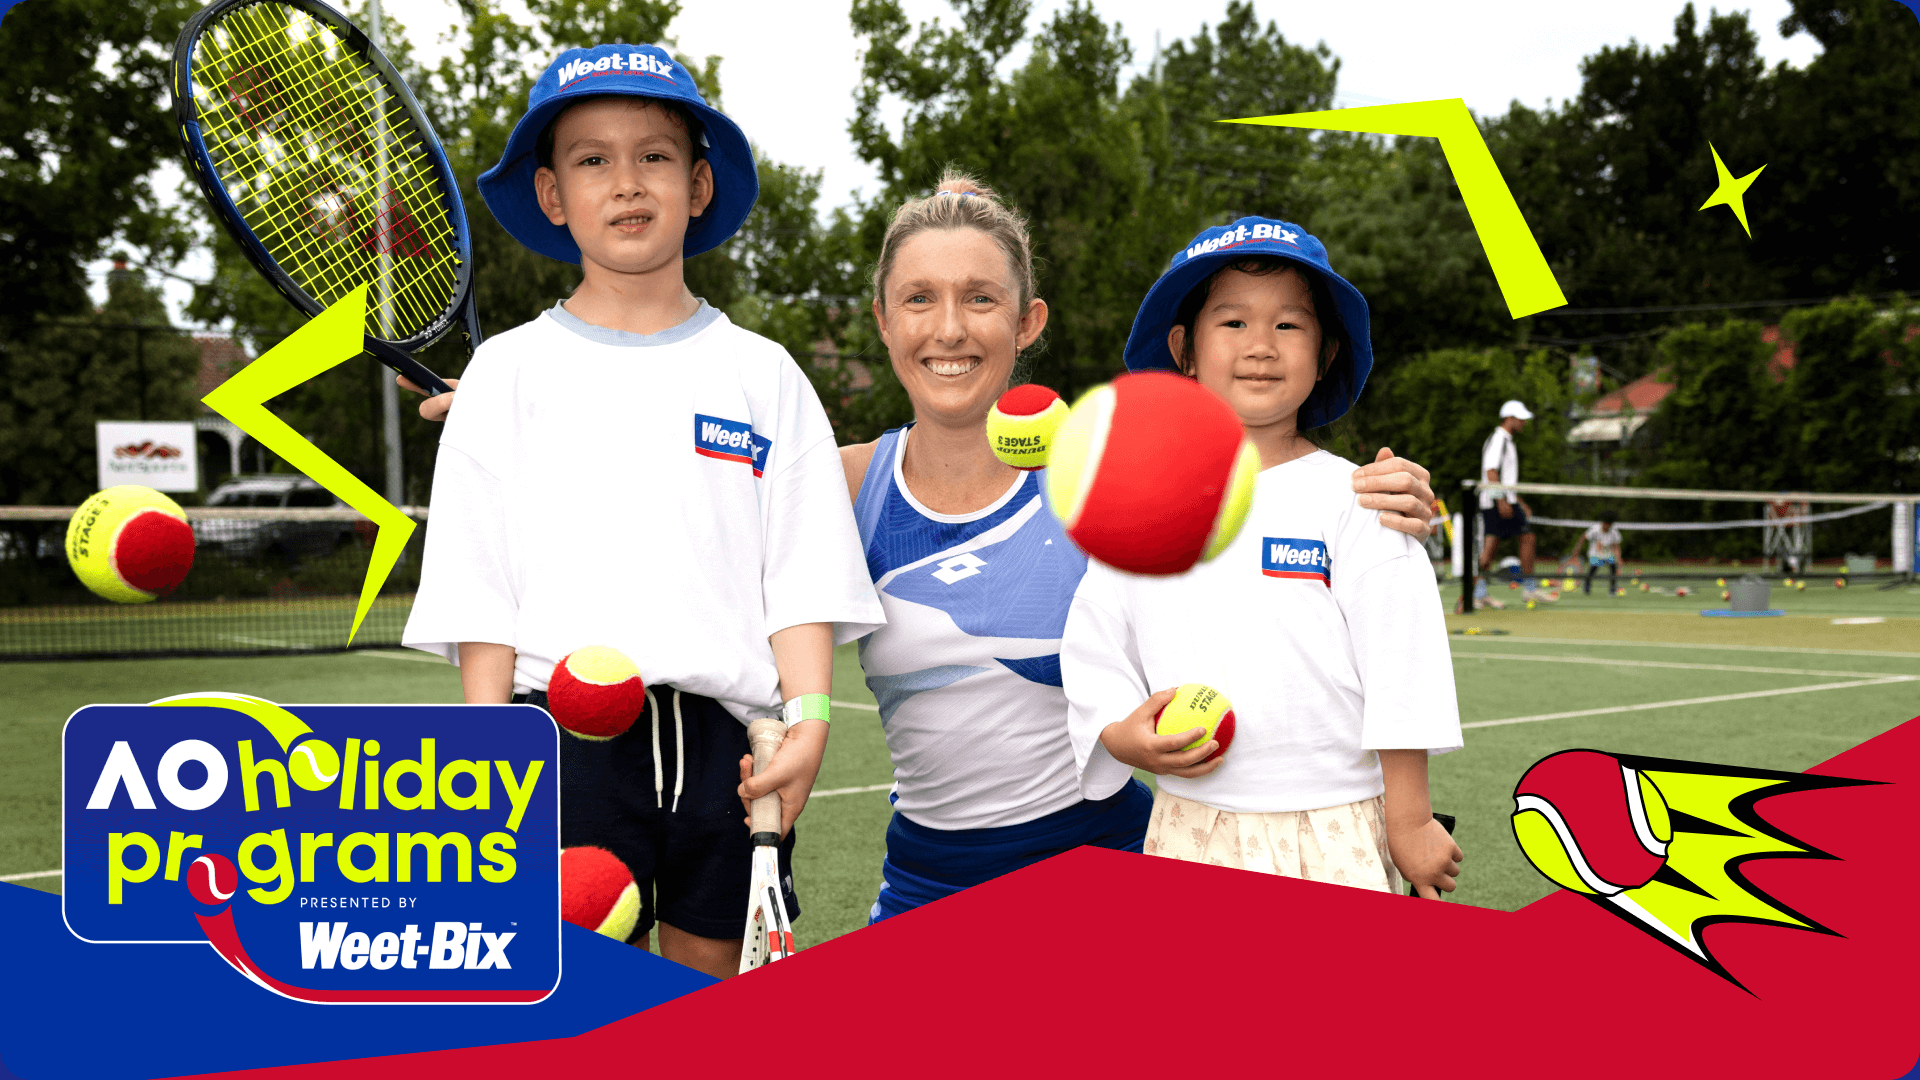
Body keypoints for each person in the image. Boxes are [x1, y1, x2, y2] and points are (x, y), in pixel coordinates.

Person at [406, 172, 1449, 923]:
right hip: (924, 879)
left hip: (1105, 861)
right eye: (920, 299)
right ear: (883, 320)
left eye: (981, 299)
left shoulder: (1107, 471)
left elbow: (1258, 479)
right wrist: (529, 403)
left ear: (1027, 321)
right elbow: (688, 493)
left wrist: (1380, 490)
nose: (950, 329)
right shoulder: (839, 481)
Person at [399, 43, 884, 980]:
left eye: (654, 156)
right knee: (574, 1004)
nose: (627, 182)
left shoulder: (764, 374)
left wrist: (813, 722)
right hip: (555, 749)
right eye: (593, 159)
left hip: (729, 750)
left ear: (698, 185)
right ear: (551, 195)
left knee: (705, 1004)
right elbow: (478, 585)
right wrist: (486, 752)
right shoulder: (505, 370)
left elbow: (801, 578)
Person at [1062, 218, 1465, 899]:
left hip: (1333, 826)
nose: (1260, 346)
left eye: (1288, 325)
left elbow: (1403, 659)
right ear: (1184, 350)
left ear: (1326, 353)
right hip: (1188, 825)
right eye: (1233, 322)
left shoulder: (1362, 500)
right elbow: (1094, 642)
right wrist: (1121, 733)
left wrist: (1410, 818)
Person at [1478, 399, 1535, 599]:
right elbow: (1491, 471)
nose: (1523, 423)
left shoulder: (1506, 441)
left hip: (1502, 499)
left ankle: (1479, 592)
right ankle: (1529, 588)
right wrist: (1502, 501)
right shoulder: (1499, 439)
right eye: (1520, 419)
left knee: (1492, 546)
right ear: (1509, 418)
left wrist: (1519, 502)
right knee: (1525, 537)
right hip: (1495, 501)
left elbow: (1506, 479)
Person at [1583, 510, 1624, 595]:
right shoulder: (1595, 529)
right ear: (1603, 523)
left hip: (1608, 555)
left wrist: (1619, 559)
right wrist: (1576, 551)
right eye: (1606, 524)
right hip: (1594, 554)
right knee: (1594, 566)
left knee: (1613, 567)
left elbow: (1616, 546)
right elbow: (1584, 537)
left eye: (1609, 524)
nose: (1607, 526)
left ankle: (1612, 589)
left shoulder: (1614, 532)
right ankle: (1587, 585)